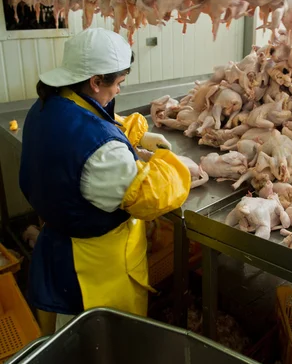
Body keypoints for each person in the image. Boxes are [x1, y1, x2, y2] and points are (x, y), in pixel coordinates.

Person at [19, 28, 190, 332]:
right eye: (119, 84)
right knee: (101, 349)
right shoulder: (103, 154)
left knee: (62, 347)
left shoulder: (46, 106)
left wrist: (136, 134)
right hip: (94, 273)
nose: (119, 92)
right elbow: (151, 196)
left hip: (55, 248)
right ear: (96, 81)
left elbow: (89, 123)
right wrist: (171, 162)